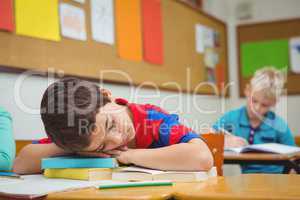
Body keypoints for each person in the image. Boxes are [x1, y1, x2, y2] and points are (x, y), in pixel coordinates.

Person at [13, 78, 213, 174]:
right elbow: (20, 164)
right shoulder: (78, 136)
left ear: (107, 95)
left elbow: (202, 158)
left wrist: (130, 156)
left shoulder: (152, 119)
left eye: (110, 125)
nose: (117, 140)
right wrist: (76, 149)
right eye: (102, 146)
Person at [213, 67, 295, 173]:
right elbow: (208, 137)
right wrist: (224, 141)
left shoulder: (279, 125)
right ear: (247, 91)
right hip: (247, 181)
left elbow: (294, 157)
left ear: (274, 102)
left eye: (264, 105)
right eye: (254, 100)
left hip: (277, 180)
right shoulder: (232, 118)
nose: (257, 108)